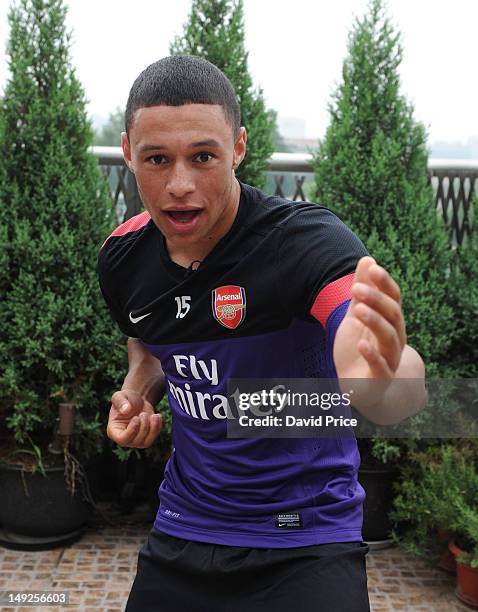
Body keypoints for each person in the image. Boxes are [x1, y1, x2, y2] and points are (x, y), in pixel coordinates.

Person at [97, 55, 427, 612]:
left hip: (308, 537)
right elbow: (148, 340)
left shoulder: (305, 244)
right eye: (157, 159)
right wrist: (138, 390)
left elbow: (395, 385)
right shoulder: (123, 258)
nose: (179, 185)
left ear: (240, 148)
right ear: (129, 152)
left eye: (204, 157)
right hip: (186, 526)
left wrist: (376, 379)